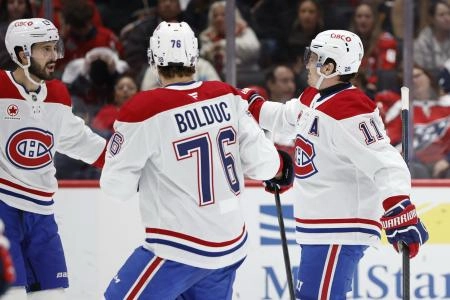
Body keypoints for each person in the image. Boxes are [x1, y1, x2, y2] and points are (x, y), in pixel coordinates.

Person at [100, 21, 293, 300]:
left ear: (153, 59)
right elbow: (263, 164)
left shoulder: (142, 110)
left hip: (178, 248)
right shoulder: (226, 94)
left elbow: (116, 187)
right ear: (194, 57)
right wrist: (281, 167)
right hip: (230, 245)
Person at [246, 29, 429, 299]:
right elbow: (283, 117)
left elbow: (386, 162)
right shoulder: (313, 97)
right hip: (321, 228)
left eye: (313, 57)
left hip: (340, 228)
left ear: (329, 66)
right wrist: (247, 101)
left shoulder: (350, 108)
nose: (307, 62)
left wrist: (399, 207)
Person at [0, 18, 106, 300]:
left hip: (42, 213)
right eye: (45, 49)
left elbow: (78, 138)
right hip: (3, 209)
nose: (54, 56)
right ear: (22, 54)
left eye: (54, 48)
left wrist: (122, 161)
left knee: (53, 294)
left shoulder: (58, 95)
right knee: (10, 294)